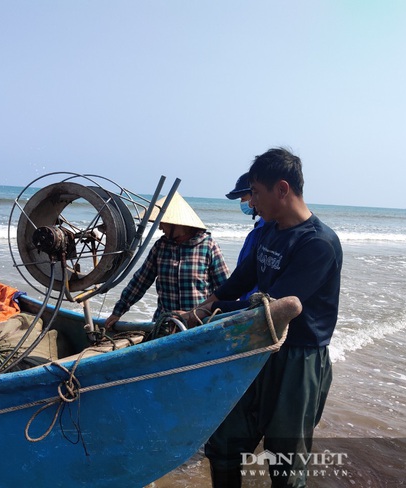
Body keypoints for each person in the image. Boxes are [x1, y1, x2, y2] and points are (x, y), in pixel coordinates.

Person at [182, 148, 343, 487]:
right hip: (255, 347)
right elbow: (241, 279)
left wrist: (210, 314)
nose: (251, 202)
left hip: (297, 359)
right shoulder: (270, 231)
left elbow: (272, 308)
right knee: (224, 443)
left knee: (285, 464)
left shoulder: (318, 244)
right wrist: (204, 306)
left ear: (281, 190)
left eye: (255, 192)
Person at [104, 191, 229, 330]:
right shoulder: (161, 247)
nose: (160, 227)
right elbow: (140, 282)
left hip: (198, 324)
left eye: (163, 223)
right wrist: (118, 312)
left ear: (177, 224)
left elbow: (225, 289)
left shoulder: (208, 246)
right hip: (165, 323)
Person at [225, 172, 265, 300]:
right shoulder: (259, 227)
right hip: (248, 303)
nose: (243, 203)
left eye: (243, 198)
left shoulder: (268, 229)